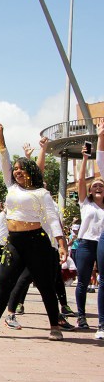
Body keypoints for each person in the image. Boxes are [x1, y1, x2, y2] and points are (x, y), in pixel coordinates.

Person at [0, 124, 67, 341]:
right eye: (15, 168)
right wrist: (0, 136)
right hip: (14, 242)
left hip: (37, 243)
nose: (16, 171)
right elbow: (3, 160)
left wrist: (61, 243)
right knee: (4, 283)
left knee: (45, 285)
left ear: (31, 171)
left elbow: (53, 219)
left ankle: (55, 327)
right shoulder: (11, 187)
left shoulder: (42, 193)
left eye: (21, 168)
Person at [74, 125, 104, 339]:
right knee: (83, 280)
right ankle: (81, 316)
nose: (97, 187)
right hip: (85, 243)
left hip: (102, 244)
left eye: (100, 184)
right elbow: (80, 181)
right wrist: (85, 159)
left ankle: (101, 322)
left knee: (102, 281)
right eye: (94, 185)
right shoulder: (86, 204)